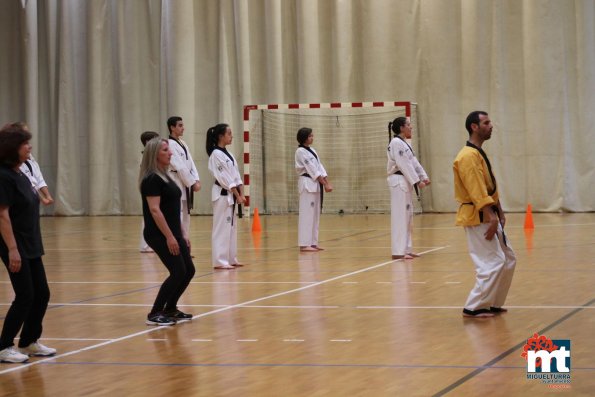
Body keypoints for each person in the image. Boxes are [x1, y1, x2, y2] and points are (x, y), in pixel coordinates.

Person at [0, 123, 56, 363]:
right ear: (13, 148)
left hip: (30, 240)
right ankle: (3, 346)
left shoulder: (21, 171)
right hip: (14, 242)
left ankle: (29, 341)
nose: (29, 147)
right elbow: (2, 215)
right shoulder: (3, 176)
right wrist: (12, 249)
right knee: (25, 295)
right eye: (25, 144)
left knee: (41, 293)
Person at [453, 111, 516, 318]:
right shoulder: (467, 156)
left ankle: (492, 302)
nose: (491, 126)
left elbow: (489, 186)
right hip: (478, 215)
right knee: (492, 262)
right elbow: (476, 189)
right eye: (486, 122)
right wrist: (490, 215)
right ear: (474, 126)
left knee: (508, 259)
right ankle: (474, 306)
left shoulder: (477, 153)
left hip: (489, 212)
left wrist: (499, 210)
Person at [139, 138, 195, 325]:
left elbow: (172, 209)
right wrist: (170, 237)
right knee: (178, 271)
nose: (170, 153)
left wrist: (182, 233)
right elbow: (155, 210)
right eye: (165, 150)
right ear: (155, 154)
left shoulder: (166, 175)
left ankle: (170, 308)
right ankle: (155, 313)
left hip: (173, 232)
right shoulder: (151, 179)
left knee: (189, 270)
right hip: (158, 234)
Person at [386, 117, 430, 260]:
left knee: (408, 216)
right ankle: (399, 251)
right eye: (408, 125)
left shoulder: (404, 144)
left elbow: (413, 162)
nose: (411, 127)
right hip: (399, 181)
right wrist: (417, 182)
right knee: (400, 217)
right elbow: (403, 164)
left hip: (405, 181)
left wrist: (423, 176)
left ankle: (407, 249)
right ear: (401, 128)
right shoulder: (396, 143)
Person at [205, 124, 246, 270]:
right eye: (229, 133)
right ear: (220, 136)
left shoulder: (228, 154)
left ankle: (231, 258)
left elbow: (236, 176)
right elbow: (225, 178)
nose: (231, 136)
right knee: (221, 227)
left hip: (231, 195)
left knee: (231, 227)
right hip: (222, 194)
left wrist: (242, 194)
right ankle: (220, 260)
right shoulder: (216, 154)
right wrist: (237, 194)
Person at [295, 127, 333, 252]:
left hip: (315, 184)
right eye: (310, 136)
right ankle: (304, 244)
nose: (312, 137)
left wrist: (327, 182)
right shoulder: (300, 151)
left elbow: (319, 167)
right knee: (307, 214)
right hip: (307, 183)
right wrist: (325, 183)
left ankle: (312, 242)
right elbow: (312, 169)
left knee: (315, 214)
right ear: (304, 137)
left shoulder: (312, 150)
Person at [167, 117, 201, 239]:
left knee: (186, 215)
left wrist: (196, 179)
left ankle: (185, 243)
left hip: (185, 182)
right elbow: (179, 166)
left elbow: (191, 163)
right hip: (176, 181)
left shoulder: (183, 143)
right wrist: (192, 183)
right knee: (178, 214)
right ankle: (178, 243)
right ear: (172, 127)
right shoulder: (169, 144)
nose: (183, 128)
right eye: (180, 125)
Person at [139, 131, 160, 253]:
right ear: (148, 142)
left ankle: (151, 243)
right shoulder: (146, 157)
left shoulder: (151, 156)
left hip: (153, 187)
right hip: (149, 188)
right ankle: (145, 245)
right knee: (148, 216)